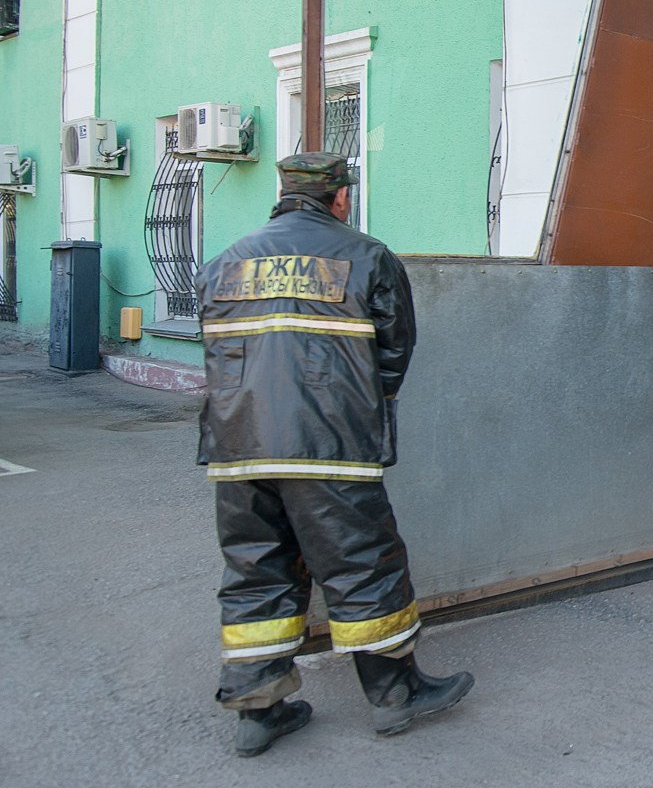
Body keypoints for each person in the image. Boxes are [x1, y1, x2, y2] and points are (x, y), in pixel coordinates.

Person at [198, 152, 472, 756]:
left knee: (255, 567)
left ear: (284, 192)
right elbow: (394, 353)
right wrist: (363, 407)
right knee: (361, 564)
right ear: (340, 196)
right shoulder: (367, 257)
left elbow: (216, 353)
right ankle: (395, 694)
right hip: (329, 445)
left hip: (239, 446)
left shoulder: (224, 263)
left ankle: (258, 709)